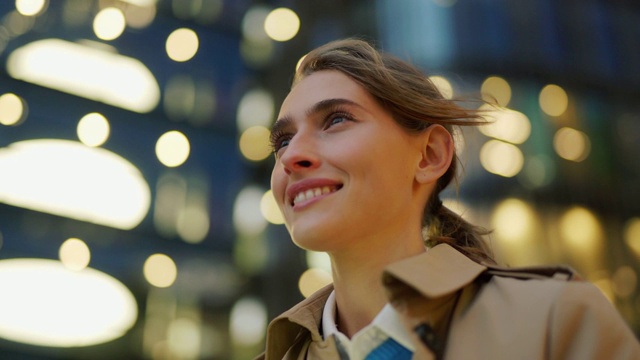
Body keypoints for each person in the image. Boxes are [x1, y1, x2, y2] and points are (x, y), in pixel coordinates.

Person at [257, 38, 640, 359]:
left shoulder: (557, 321)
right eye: (283, 141)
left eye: (336, 119)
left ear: (430, 156)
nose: (291, 156)